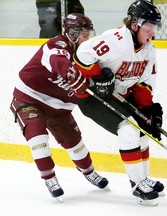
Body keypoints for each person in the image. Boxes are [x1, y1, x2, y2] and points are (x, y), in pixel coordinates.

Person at [73, 0, 164, 206]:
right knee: (128, 130)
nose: (153, 32)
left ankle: (144, 178)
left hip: (119, 93)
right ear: (134, 24)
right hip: (92, 96)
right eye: (149, 26)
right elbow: (81, 54)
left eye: (155, 27)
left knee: (143, 130)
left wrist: (148, 111)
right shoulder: (115, 40)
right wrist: (99, 78)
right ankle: (137, 183)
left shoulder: (149, 50)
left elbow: (143, 84)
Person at [10, 13, 109, 202]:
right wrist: (72, 75)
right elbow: (58, 61)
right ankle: (49, 177)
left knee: (75, 143)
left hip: (60, 107)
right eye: (84, 35)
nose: (87, 39)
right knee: (37, 135)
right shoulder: (56, 45)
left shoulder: (87, 54)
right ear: (72, 33)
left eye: (89, 35)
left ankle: (89, 172)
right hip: (30, 98)